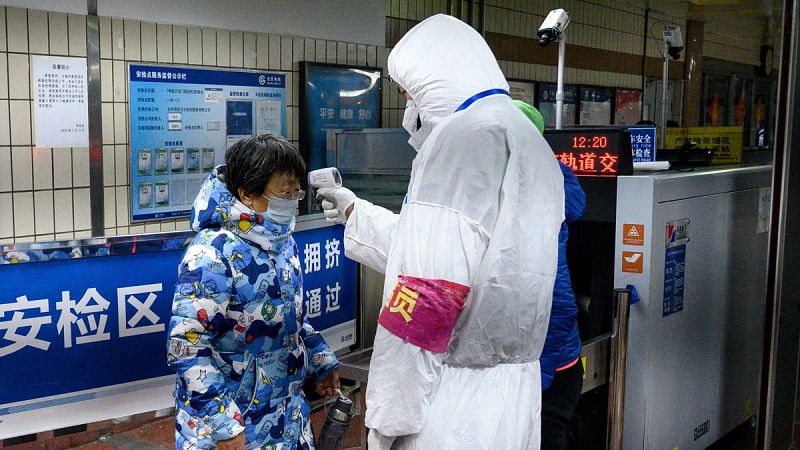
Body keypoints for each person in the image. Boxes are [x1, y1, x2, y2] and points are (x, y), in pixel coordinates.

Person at [317, 14, 564, 449]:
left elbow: (429, 292)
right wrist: (357, 212)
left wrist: (388, 417)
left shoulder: (459, 139)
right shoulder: (526, 137)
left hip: (446, 408)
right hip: (510, 403)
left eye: (407, 93)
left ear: (434, 83)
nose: (407, 108)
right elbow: (472, 262)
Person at [167, 134, 340, 450]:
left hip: (285, 419)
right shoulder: (211, 254)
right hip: (232, 424)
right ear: (247, 194)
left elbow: (292, 320)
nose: (293, 198)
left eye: (296, 190)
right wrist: (225, 427)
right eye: (285, 191)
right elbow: (186, 346)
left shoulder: (283, 242)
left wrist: (321, 360)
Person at [515, 100, 586, 449]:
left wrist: (535, 378)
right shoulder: (548, 186)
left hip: (552, 366)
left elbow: (558, 308)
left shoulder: (536, 199)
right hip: (550, 363)